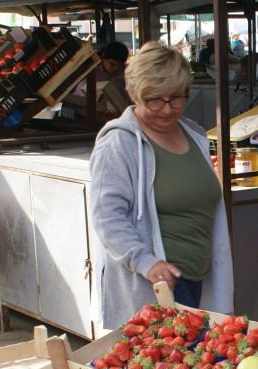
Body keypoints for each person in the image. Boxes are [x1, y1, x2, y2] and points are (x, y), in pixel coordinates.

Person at [89, 41, 233, 327]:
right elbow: (107, 217)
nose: (167, 109)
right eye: (155, 99)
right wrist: (146, 262)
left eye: (176, 98)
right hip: (155, 288)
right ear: (136, 94)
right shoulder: (119, 143)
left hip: (198, 281)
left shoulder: (194, 136)